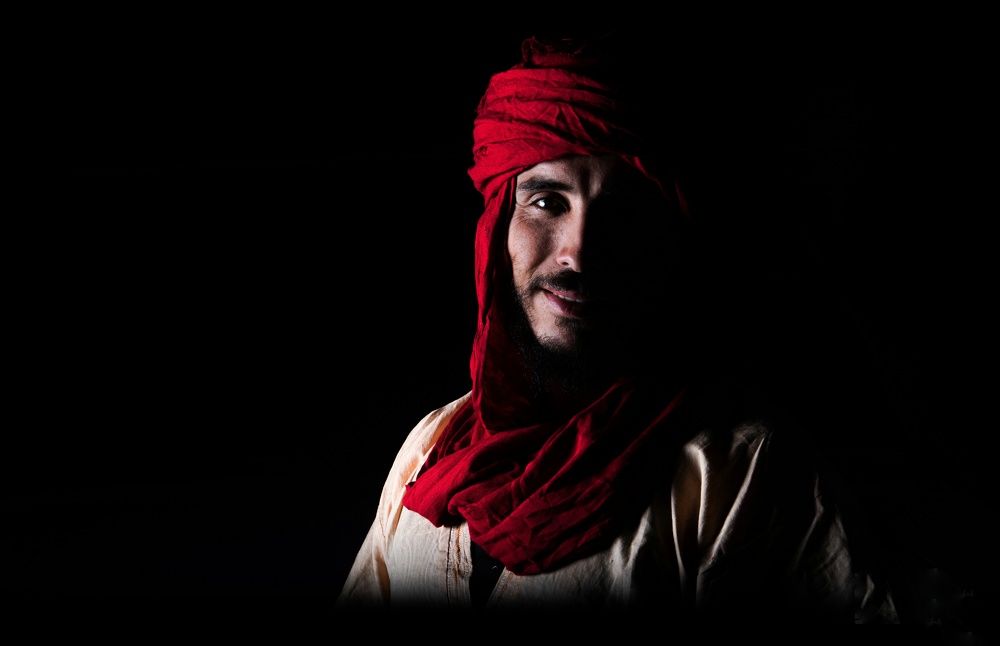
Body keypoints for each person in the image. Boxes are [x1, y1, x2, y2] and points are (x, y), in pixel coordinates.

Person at [338, 35, 895, 621]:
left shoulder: (738, 476)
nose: (579, 252)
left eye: (622, 212)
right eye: (547, 202)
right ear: (496, 230)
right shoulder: (433, 446)